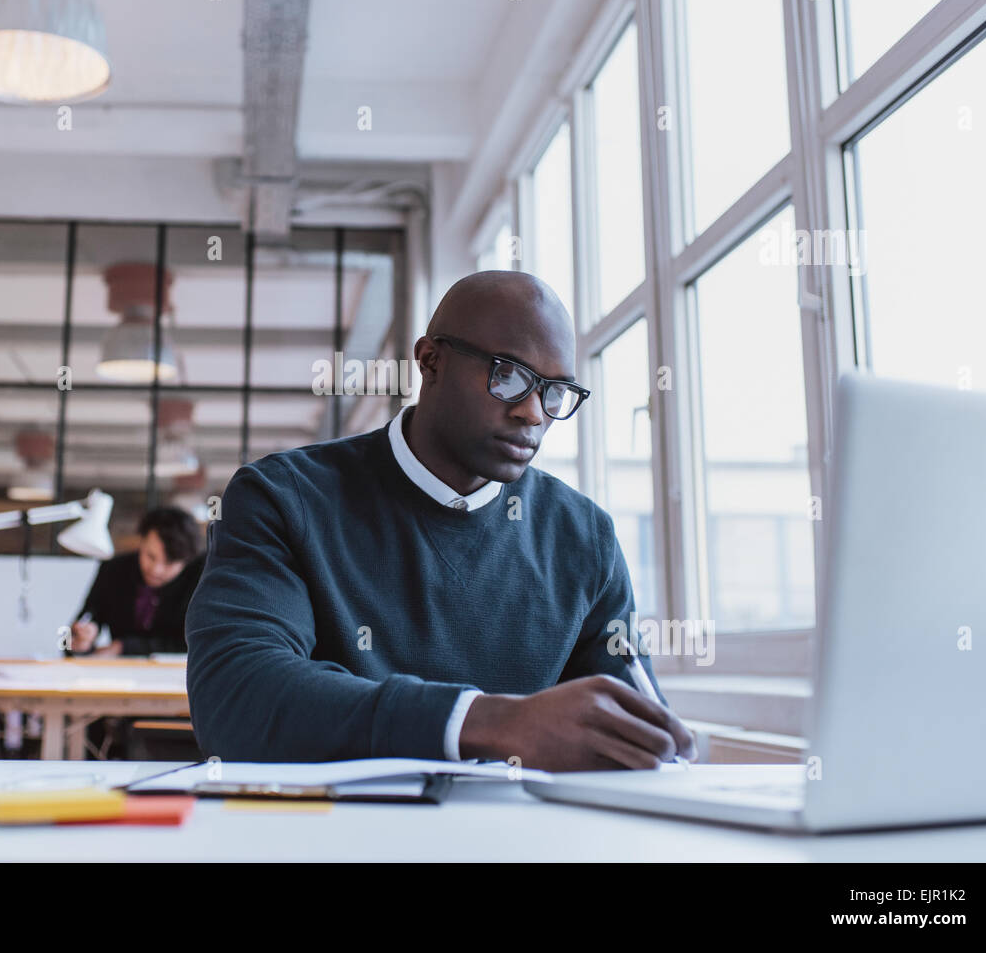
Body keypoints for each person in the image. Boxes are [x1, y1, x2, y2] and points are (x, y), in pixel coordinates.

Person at [185, 270, 697, 770]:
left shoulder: (585, 538)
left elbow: (637, 731)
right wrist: (490, 722)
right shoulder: (283, 497)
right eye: (508, 376)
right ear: (430, 362)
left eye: (556, 390)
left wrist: (664, 748)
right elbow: (235, 697)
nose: (534, 413)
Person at [68, 506, 205, 657]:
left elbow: (196, 642)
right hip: (119, 675)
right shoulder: (113, 570)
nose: (156, 570)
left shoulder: (200, 577)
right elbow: (75, 631)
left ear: (186, 561)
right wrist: (80, 640)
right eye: (151, 556)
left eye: (169, 563)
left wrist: (123, 647)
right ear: (141, 541)